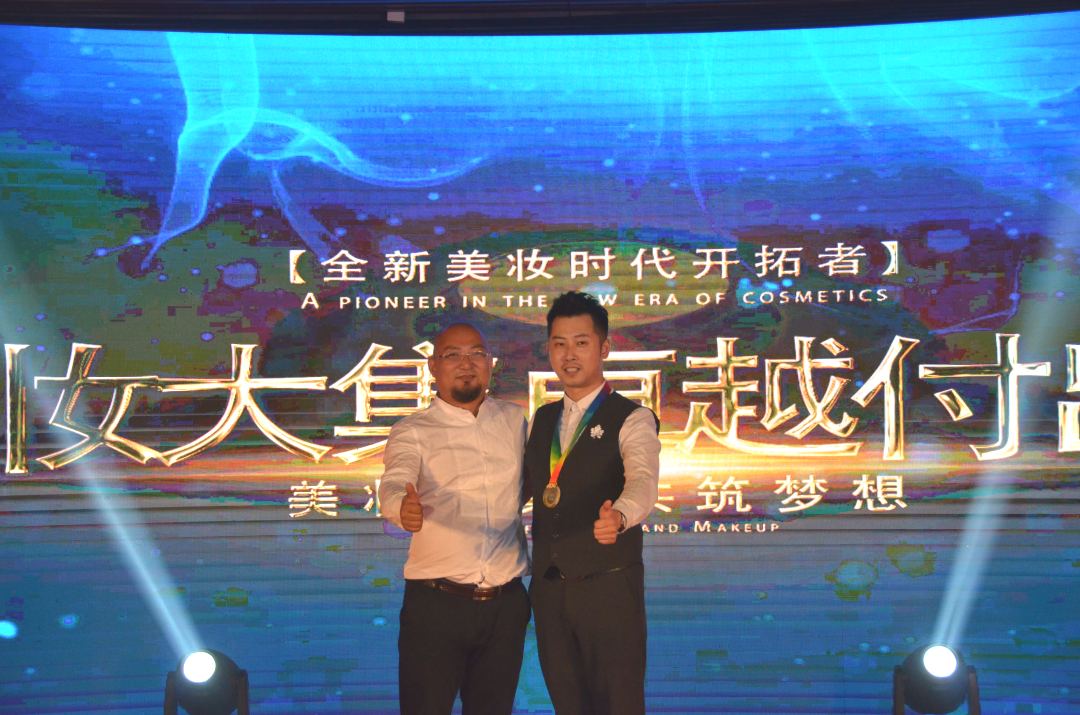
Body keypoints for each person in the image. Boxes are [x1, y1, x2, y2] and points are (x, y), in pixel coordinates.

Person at [378, 323, 530, 715]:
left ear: (490, 363)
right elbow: (394, 480)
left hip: (505, 605)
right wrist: (401, 506)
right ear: (433, 366)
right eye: (453, 355)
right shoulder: (413, 430)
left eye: (476, 353)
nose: (466, 364)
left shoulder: (515, 421)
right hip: (436, 607)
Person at [525, 291, 661, 715]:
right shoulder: (542, 420)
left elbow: (643, 481)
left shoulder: (633, 418)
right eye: (559, 343)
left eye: (581, 343)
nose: (569, 355)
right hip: (550, 593)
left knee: (619, 705)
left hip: (609, 591)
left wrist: (620, 515)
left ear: (604, 348)